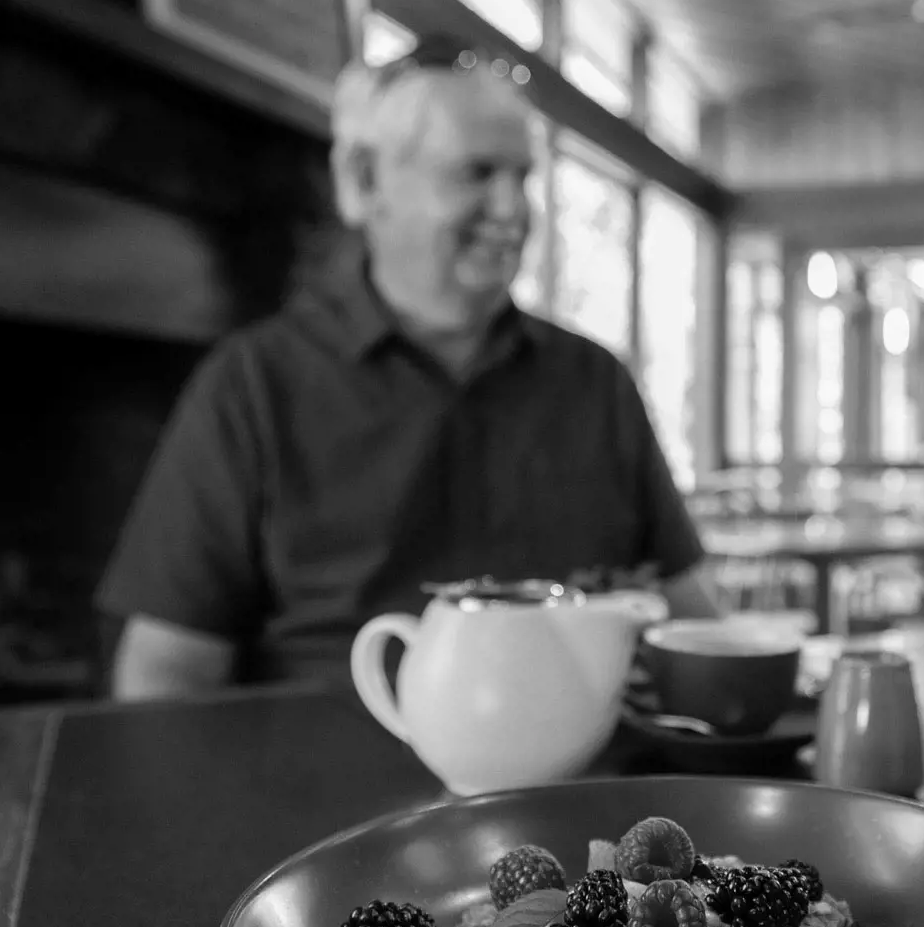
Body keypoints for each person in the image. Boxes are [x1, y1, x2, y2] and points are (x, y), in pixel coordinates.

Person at [98, 39, 717, 699]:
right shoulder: (253, 386)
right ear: (365, 182)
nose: (513, 210)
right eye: (476, 173)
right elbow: (167, 671)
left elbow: (695, 617)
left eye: (523, 177)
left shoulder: (597, 384)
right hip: (325, 784)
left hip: (575, 784)